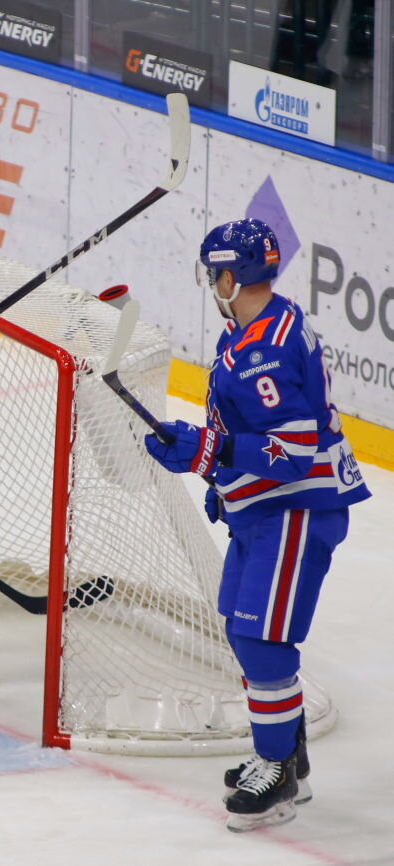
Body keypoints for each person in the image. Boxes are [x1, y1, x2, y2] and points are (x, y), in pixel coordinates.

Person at [142, 218, 370, 832]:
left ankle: (277, 770)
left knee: (260, 637)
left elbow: (293, 448)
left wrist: (210, 455)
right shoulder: (252, 330)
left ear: (228, 274)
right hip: (264, 508)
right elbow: (248, 436)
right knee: (242, 628)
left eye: (212, 273)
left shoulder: (263, 349)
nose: (209, 284)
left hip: (296, 507)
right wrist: (215, 469)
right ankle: (286, 753)